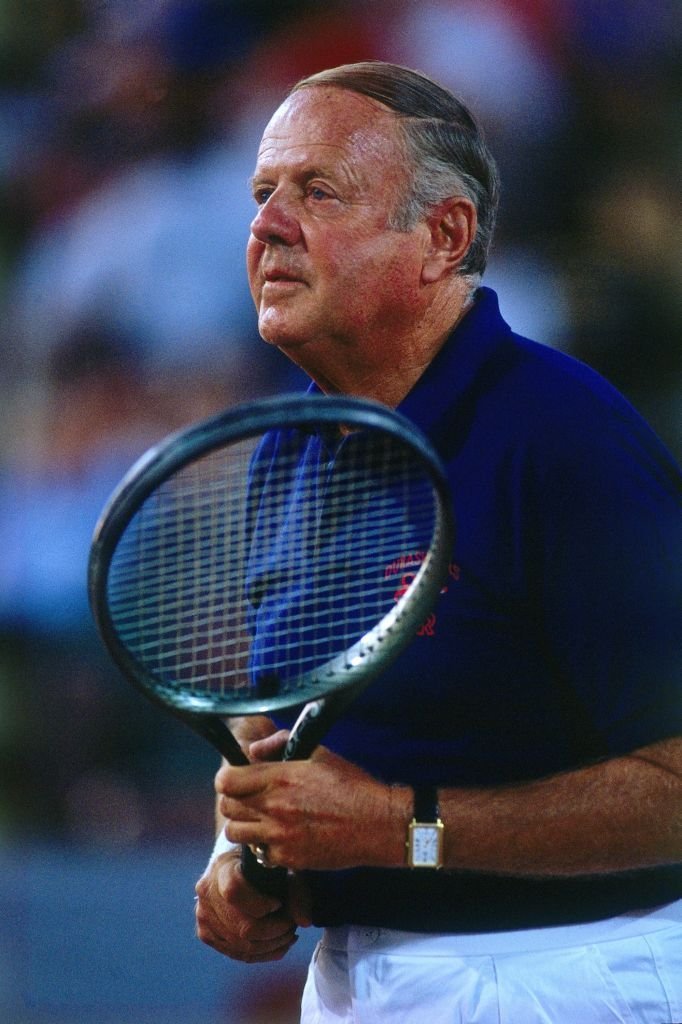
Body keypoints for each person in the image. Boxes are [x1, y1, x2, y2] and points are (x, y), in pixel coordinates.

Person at [195, 61, 682, 1022]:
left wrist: (399, 828)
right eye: (262, 194)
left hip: (572, 976)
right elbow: (280, 734)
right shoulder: (288, 448)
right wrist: (239, 853)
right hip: (351, 976)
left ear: (443, 236)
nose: (266, 226)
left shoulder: (562, 438)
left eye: (317, 191)